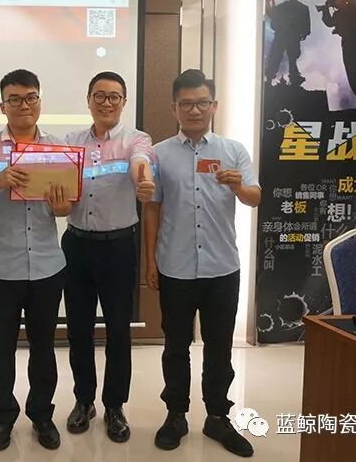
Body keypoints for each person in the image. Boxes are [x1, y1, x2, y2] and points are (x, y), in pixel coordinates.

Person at [143, 69, 261, 458]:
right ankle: (176, 415)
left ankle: (217, 417)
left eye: (202, 102)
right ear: (174, 108)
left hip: (222, 267)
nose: (195, 110)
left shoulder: (233, 150)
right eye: (187, 104)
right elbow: (152, 208)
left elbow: (255, 197)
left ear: (214, 106)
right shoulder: (159, 153)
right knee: (175, 346)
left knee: (219, 347)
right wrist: (150, 261)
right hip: (175, 266)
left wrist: (238, 186)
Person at [0, 69, 72, 452]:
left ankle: (42, 415)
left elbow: (67, 208)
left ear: (39, 101)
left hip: (47, 266)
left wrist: (60, 206)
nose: (24, 105)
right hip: (0, 267)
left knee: (44, 347)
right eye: (15, 99)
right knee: (2, 347)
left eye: (30, 97)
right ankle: (3, 416)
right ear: (2, 106)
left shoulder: (58, 148)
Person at [61, 71, 154, 441]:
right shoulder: (69, 142)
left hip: (118, 247)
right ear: (88, 100)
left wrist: (142, 179)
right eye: (99, 95)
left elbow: (140, 162)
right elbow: (35, 154)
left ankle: (115, 406)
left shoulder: (137, 139)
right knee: (78, 329)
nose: (106, 102)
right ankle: (84, 400)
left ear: (124, 102)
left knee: (118, 330)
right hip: (76, 245)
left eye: (114, 96)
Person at [265, 0, 310, 86]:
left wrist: (269, 0)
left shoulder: (284, 7)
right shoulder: (302, 8)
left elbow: (272, 14)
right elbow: (272, 15)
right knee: (285, 58)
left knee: (281, 58)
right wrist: (305, 32)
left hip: (285, 37)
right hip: (289, 37)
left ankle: (271, 78)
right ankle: (290, 78)